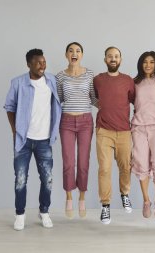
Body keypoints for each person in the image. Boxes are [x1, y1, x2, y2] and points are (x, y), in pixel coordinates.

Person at [4, 48, 61, 231]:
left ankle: (44, 211)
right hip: (24, 140)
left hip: (44, 140)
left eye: (44, 62)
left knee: (48, 179)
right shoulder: (18, 83)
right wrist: (15, 131)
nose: (42, 65)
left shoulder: (52, 80)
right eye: (38, 62)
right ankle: (20, 215)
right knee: (20, 179)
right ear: (29, 64)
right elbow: (9, 106)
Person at [56, 42, 98, 219]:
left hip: (85, 121)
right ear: (66, 55)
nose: (74, 53)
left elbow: (94, 99)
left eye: (78, 51)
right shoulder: (60, 76)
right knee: (68, 162)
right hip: (66, 121)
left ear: (82, 55)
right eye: (71, 51)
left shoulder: (89, 74)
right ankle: (68, 197)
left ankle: (81, 197)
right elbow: (58, 100)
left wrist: (112, 106)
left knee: (82, 162)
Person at [94, 46, 135, 225]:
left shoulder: (128, 80)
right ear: (105, 59)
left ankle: (125, 193)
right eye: (110, 56)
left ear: (120, 59)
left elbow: (135, 100)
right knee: (104, 169)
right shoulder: (98, 80)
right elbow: (95, 98)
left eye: (116, 56)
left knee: (126, 167)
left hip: (124, 131)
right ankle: (105, 205)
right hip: (104, 131)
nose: (113, 58)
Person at [131, 51, 155, 219]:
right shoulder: (134, 83)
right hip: (138, 126)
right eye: (145, 62)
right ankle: (146, 200)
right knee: (140, 162)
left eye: (152, 62)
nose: (148, 65)